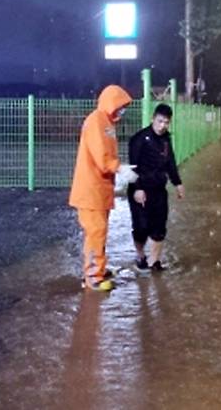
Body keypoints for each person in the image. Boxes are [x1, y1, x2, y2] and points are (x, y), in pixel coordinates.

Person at [69, 85, 138, 291]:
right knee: (95, 233)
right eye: (121, 106)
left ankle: (98, 269)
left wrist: (118, 167)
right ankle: (93, 277)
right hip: (91, 191)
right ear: (111, 103)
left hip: (97, 190)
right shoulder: (97, 122)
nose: (122, 111)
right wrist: (120, 168)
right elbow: (102, 157)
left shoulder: (104, 121)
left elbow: (104, 156)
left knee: (98, 233)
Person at [127, 103, 184, 274]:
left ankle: (155, 262)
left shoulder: (166, 139)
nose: (162, 126)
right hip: (141, 191)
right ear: (153, 119)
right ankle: (140, 256)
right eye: (160, 121)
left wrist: (178, 183)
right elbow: (132, 166)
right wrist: (137, 188)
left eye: (166, 122)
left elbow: (170, 162)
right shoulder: (139, 139)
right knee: (141, 228)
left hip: (159, 190)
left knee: (159, 228)